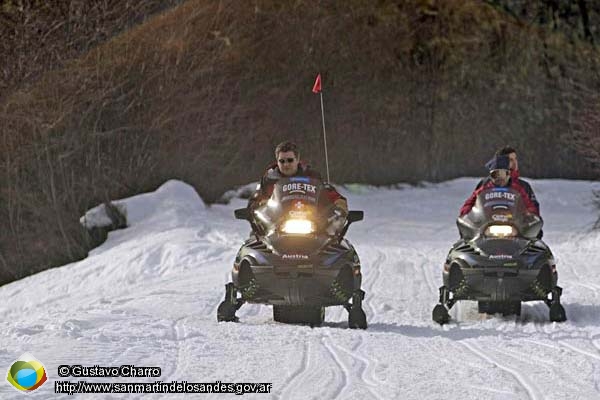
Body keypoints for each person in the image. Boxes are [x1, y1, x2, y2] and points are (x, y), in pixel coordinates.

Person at [248, 140, 348, 216]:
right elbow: (256, 200)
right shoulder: (268, 180)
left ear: (297, 160)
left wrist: (339, 204)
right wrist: (257, 207)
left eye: (290, 160)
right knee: (255, 240)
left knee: (335, 240)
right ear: (277, 161)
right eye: (282, 161)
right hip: (275, 226)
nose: (286, 164)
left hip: (312, 223)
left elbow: (329, 192)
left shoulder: (312, 176)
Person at [460, 154, 539, 217]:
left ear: (509, 174)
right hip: (487, 222)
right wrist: (466, 212)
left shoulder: (517, 189)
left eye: (503, 174)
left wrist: (531, 214)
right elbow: (470, 202)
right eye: (495, 174)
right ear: (491, 176)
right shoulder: (484, 188)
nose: (499, 178)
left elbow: (529, 205)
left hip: (513, 223)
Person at [474, 146, 540, 213]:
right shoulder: (485, 183)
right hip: (489, 222)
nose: (515, 163)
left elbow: (534, 209)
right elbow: (474, 206)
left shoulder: (524, 186)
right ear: (501, 162)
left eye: (515, 159)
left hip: (516, 223)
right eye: (510, 160)